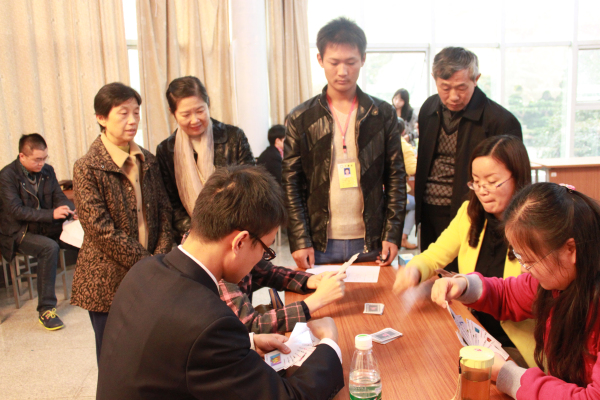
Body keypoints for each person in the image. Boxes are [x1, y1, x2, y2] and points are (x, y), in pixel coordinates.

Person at [96, 165, 344, 399]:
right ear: (240, 242)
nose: (262, 259)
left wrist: (247, 343)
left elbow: (171, 349)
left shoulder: (143, 270)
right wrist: (329, 342)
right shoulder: (209, 322)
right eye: (265, 250)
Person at [431, 182, 600, 399]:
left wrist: (507, 374)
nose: (523, 269)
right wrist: (464, 285)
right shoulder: (558, 282)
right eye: (520, 257)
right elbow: (507, 295)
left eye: (530, 260)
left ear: (571, 249)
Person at [394, 135, 535, 367]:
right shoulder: (470, 213)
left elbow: (526, 299)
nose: (482, 190)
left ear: (517, 177)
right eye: (476, 182)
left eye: (492, 182)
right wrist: (414, 271)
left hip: (515, 347)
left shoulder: (535, 226)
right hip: (473, 332)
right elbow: (435, 254)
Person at [283, 17, 406, 269]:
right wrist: (299, 239)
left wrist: (392, 233)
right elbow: (291, 183)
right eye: (334, 62)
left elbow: (396, 176)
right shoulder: (301, 118)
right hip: (318, 243)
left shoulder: (381, 114)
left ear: (363, 59)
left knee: (379, 296)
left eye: (351, 62)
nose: (343, 71)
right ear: (320, 60)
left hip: (371, 240)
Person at [71, 83, 173, 361]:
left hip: (153, 274)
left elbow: (164, 211)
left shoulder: (147, 159)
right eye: (123, 113)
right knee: (113, 358)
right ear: (101, 118)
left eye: (136, 113)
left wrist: (160, 256)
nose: (132, 120)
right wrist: (148, 263)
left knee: (149, 352)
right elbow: (99, 229)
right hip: (108, 278)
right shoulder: (87, 167)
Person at [415, 47, 522, 262]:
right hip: (429, 212)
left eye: (461, 87)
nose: (453, 96)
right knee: (432, 268)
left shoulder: (500, 121)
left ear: (476, 79)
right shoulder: (428, 109)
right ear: (434, 79)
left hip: (472, 214)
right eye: (445, 88)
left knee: (466, 275)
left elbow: (516, 180)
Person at [156, 76, 254, 243]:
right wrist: (197, 234)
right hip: (193, 238)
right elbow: (171, 203)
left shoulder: (233, 137)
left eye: (200, 111)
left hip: (237, 232)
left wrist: (230, 230)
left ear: (208, 103)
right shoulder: (166, 150)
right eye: (186, 114)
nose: (195, 120)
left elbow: (251, 187)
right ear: (173, 113)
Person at [0, 134, 76, 330]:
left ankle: (94, 289)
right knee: (49, 248)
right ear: (22, 156)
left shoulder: (47, 171)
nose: (42, 163)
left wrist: (70, 210)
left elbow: (59, 197)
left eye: (44, 158)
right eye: (37, 159)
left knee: (85, 235)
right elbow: (16, 211)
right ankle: (46, 310)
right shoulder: (7, 176)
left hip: (44, 227)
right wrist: (51, 214)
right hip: (18, 232)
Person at [219, 257, 346, 334]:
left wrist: (309, 280)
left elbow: (269, 272)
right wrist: (316, 301)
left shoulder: (242, 255)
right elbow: (252, 326)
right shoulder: (221, 277)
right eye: (264, 249)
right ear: (241, 241)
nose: (262, 256)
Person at [398, 119, 418, 250]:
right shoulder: (404, 146)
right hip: (397, 193)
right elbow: (412, 169)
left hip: (379, 192)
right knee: (416, 204)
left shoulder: (381, 142)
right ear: (403, 131)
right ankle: (403, 238)